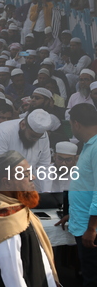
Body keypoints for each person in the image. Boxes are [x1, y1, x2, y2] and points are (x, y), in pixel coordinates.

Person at [0, 150, 59, 287]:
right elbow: (13, 279)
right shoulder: (5, 222)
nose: (33, 177)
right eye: (26, 175)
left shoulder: (16, 209)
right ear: (7, 182)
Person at [0, 108, 52, 233]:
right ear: (23, 125)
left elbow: (44, 167)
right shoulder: (3, 132)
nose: (35, 140)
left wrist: (46, 195)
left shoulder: (42, 137)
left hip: (24, 187)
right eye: (32, 136)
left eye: (38, 137)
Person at [67, 103, 97, 286]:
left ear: (76, 124)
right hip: (84, 220)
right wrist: (73, 213)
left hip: (92, 228)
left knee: (92, 278)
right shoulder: (89, 146)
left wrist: (92, 228)